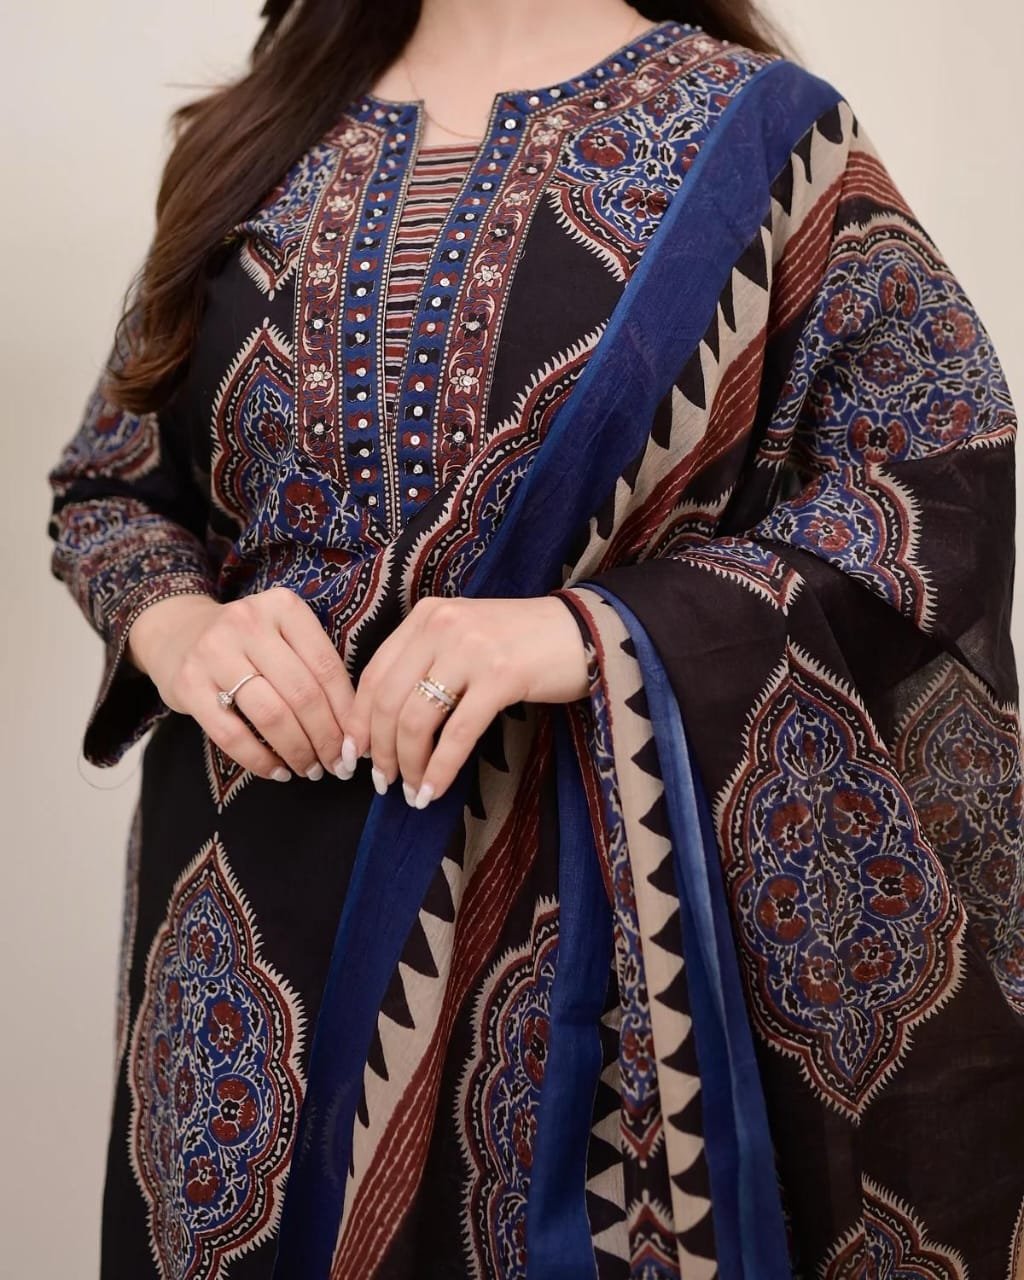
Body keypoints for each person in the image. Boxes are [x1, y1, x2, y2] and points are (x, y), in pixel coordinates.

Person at [46, 0, 1024, 1275]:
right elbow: (113, 483)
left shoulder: (768, 144)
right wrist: (180, 629)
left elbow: (934, 488)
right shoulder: (250, 139)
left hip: (588, 948)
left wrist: (588, 632)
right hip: (241, 960)